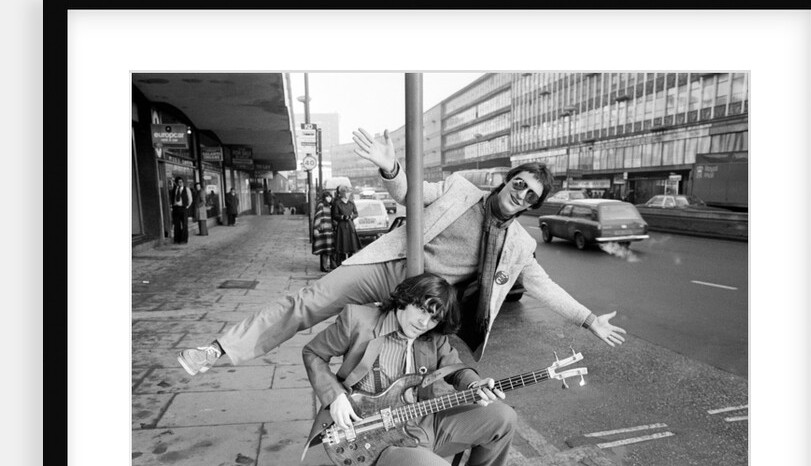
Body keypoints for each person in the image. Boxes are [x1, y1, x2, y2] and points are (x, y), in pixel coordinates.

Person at [176, 127, 625, 377]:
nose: (521, 194)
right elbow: (410, 194)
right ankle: (219, 349)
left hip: (427, 302)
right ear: (507, 181)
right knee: (308, 302)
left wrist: (587, 319)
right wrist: (390, 167)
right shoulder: (459, 190)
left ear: (533, 206)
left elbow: (545, 288)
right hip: (388, 268)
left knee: (425, 373)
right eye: (519, 183)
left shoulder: (520, 245)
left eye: (531, 196)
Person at [303, 272, 517, 466]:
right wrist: (335, 396)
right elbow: (313, 352)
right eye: (422, 309)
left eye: (434, 319)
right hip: (381, 437)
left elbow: (454, 367)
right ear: (406, 299)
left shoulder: (433, 336)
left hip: (422, 421)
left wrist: (475, 384)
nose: (424, 323)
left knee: (503, 416)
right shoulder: (358, 320)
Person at [331, 184, 361, 262]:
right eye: (346, 192)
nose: (348, 194)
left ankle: (350, 261)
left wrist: (351, 216)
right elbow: (334, 215)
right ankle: (342, 261)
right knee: (342, 246)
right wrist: (342, 217)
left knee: (352, 246)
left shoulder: (351, 202)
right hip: (342, 226)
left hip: (350, 225)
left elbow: (356, 213)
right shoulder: (337, 203)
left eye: (349, 192)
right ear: (342, 193)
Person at [312, 190, 336, 272]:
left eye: (330, 196)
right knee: (324, 249)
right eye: (327, 197)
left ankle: (329, 265)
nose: (329, 198)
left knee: (329, 248)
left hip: (329, 230)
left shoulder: (329, 206)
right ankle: (324, 267)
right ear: (324, 197)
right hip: (323, 230)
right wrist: (316, 228)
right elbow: (318, 217)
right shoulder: (321, 205)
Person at [169, 176, 192, 244]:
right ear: (177, 183)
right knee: (177, 225)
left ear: (183, 182)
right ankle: (177, 239)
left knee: (184, 224)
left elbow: (190, 199)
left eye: (181, 182)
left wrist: (187, 206)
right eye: (179, 182)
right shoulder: (175, 189)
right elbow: (172, 198)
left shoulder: (186, 189)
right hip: (176, 208)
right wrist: (172, 205)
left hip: (183, 208)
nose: (180, 183)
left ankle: (183, 240)